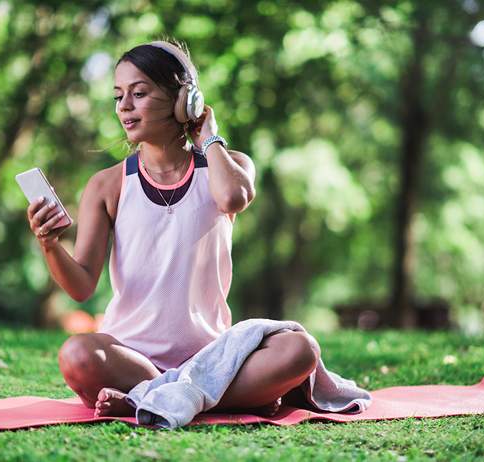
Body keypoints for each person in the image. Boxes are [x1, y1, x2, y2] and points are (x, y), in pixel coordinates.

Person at [26, 40, 320, 417]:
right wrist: (49, 245)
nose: (124, 106)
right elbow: (82, 285)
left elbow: (233, 198)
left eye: (139, 93)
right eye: (118, 96)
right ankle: (193, 395)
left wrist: (208, 134)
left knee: (300, 349)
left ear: (183, 99)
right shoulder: (106, 185)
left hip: (213, 360)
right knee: (77, 354)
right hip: (130, 358)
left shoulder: (228, 166)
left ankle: (146, 398)